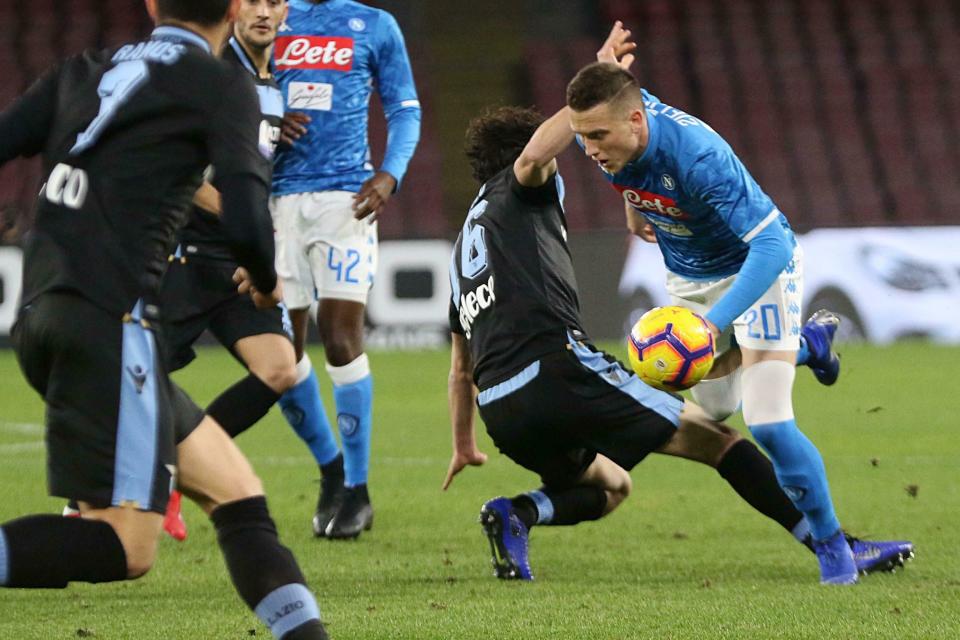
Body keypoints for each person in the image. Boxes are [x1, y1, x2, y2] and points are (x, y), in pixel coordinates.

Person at [0, 1, 328, 637]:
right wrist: (265, 284)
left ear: (153, 4)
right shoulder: (219, 81)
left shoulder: (83, 69)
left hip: (44, 310)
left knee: (237, 491)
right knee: (126, 548)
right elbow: (245, 212)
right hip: (109, 319)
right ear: (234, 9)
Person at [563, 26, 912, 583]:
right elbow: (620, 119)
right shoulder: (617, 130)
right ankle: (807, 346)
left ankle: (834, 550)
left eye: (596, 135)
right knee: (715, 405)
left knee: (767, 421)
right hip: (689, 277)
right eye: (581, 138)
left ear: (634, 123)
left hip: (756, 272)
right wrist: (635, 207)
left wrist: (712, 324)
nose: (588, 149)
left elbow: (772, 244)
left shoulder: (699, 157)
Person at [156, 0, 340, 542]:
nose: (263, 11)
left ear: (286, 11)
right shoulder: (216, 73)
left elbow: (242, 150)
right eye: (251, 0)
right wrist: (244, 216)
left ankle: (170, 471)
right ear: (232, 10)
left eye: (274, 1)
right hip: (183, 255)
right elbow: (185, 176)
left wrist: (273, 133)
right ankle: (87, 498)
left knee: (281, 366)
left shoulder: (272, 81)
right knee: (126, 378)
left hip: (235, 260)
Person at [269, 0, 421, 539]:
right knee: (280, 355)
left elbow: (405, 108)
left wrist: (390, 174)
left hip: (345, 198)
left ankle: (357, 489)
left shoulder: (374, 24)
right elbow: (234, 89)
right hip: (274, 200)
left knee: (340, 338)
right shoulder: (265, 15)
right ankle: (330, 469)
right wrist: (266, 121)